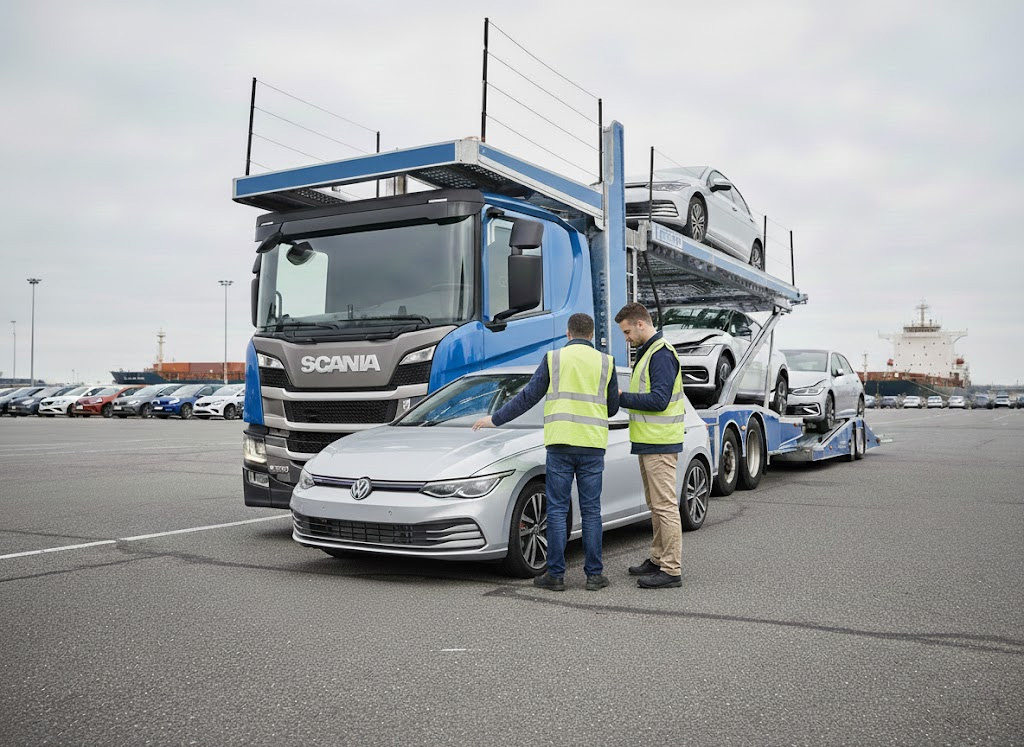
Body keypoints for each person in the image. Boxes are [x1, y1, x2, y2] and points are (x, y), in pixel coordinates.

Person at [473, 313, 618, 592]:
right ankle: (594, 576)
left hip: (560, 445)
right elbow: (611, 409)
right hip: (592, 445)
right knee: (591, 512)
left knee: (556, 509)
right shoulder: (606, 362)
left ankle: (556, 575)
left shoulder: (554, 359)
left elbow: (528, 396)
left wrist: (496, 419)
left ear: (568, 333)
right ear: (590, 335)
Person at [615, 302, 686, 589]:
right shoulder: (648, 353)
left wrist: (621, 397)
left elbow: (659, 400)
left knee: (665, 506)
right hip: (648, 442)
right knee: (655, 505)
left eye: (627, 331)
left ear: (641, 324)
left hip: (660, 442)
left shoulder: (661, 354)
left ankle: (671, 570)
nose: (627, 337)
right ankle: (658, 559)